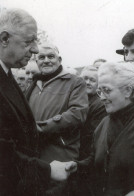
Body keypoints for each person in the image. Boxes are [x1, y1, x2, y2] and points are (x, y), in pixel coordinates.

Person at [0, 8, 72, 196]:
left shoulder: (7, 74)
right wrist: (46, 170)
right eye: (29, 41)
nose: (35, 49)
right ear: (4, 39)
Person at [26, 42, 88, 195]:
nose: (46, 60)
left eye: (51, 56)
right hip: (35, 155)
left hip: (60, 154)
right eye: (41, 57)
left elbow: (78, 113)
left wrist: (42, 127)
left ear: (59, 60)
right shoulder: (33, 85)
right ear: (37, 61)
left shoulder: (74, 82)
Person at [66, 62, 134, 196]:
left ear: (128, 90)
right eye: (100, 91)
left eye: (107, 90)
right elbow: (96, 160)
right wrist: (78, 166)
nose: (102, 97)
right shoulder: (104, 122)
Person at [80, 66, 106, 159]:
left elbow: (92, 134)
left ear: (98, 84)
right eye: (85, 79)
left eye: (92, 80)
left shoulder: (100, 104)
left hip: (85, 152)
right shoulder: (76, 98)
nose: (87, 82)